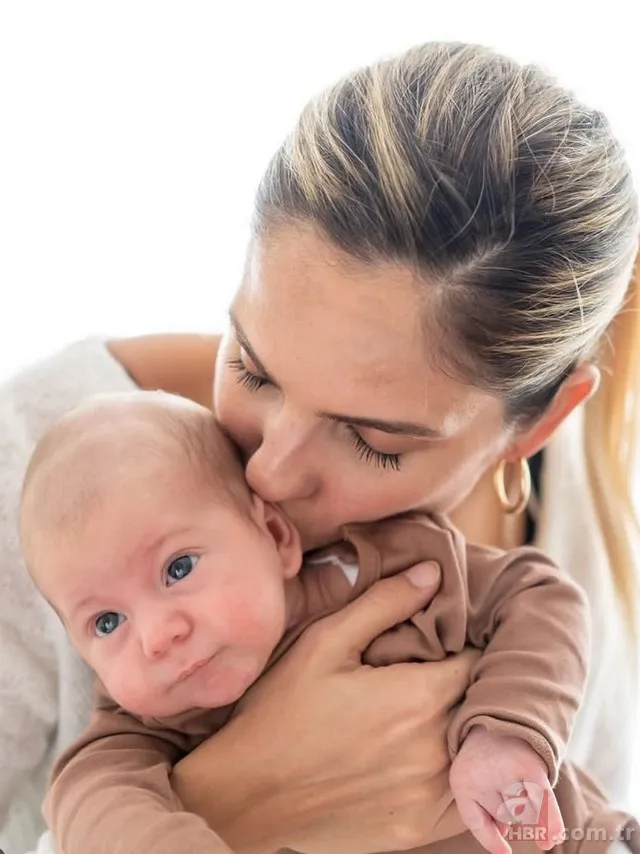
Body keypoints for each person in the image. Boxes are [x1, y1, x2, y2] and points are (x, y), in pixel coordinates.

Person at [0, 39, 638, 854]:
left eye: (374, 443)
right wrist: (244, 804)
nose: (268, 469)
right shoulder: (39, 473)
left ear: (540, 424)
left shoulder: (571, 531)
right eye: (252, 366)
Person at [20, 391, 634, 854]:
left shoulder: (386, 566)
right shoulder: (140, 735)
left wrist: (505, 731)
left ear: (275, 534)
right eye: (105, 623)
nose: (157, 636)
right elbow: (90, 807)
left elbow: (538, 595)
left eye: (178, 568)